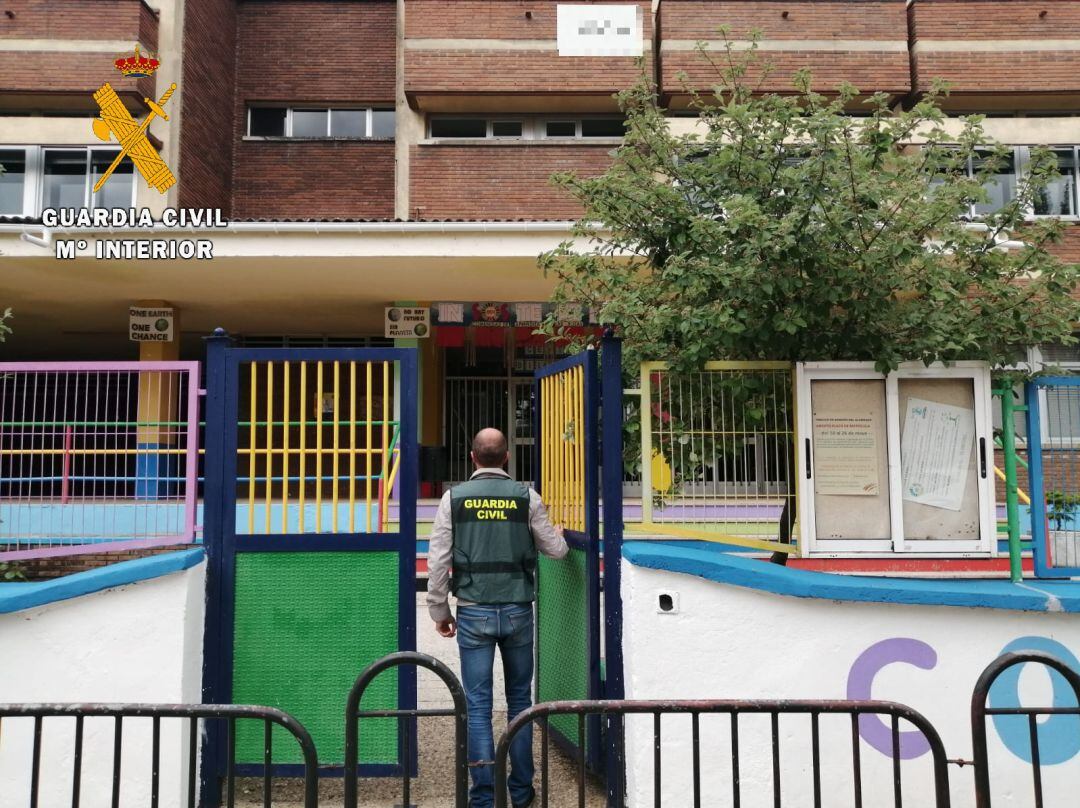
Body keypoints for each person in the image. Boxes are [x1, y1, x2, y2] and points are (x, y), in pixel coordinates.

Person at [427, 428, 568, 808]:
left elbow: (438, 560)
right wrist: (559, 535)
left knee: (478, 705)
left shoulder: (452, 499)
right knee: (520, 701)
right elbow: (555, 551)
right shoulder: (527, 497)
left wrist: (439, 610)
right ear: (506, 457)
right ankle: (521, 792)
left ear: (473, 458)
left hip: (473, 612)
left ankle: (484, 797)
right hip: (519, 610)